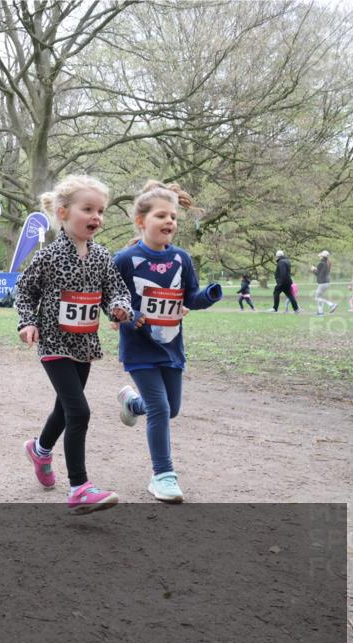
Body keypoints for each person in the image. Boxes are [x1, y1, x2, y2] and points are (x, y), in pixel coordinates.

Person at [15, 174, 132, 515]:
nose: (96, 216)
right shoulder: (48, 257)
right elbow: (24, 291)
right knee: (79, 410)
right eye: (88, 209)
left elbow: (116, 291)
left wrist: (120, 308)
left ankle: (39, 450)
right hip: (53, 342)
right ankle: (80, 487)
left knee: (64, 409)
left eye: (101, 210)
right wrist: (27, 322)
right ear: (63, 213)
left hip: (84, 343)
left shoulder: (101, 257)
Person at [113, 181, 223, 504]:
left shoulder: (181, 259)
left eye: (173, 216)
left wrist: (209, 296)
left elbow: (191, 297)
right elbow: (113, 301)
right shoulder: (124, 260)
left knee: (170, 408)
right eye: (162, 215)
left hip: (171, 347)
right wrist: (130, 316)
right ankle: (162, 475)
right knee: (160, 408)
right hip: (139, 349)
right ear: (141, 221)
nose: (170, 222)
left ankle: (132, 404)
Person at [311, 251, 337, 316]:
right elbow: (321, 272)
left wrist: (313, 270)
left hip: (322, 283)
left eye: (320, 256)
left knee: (317, 298)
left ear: (322, 257)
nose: (319, 257)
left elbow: (318, 274)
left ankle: (331, 304)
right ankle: (320, 312)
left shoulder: (321, 264)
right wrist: (316, 269)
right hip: (326, 283)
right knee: (320, 297)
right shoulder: (327, 263)